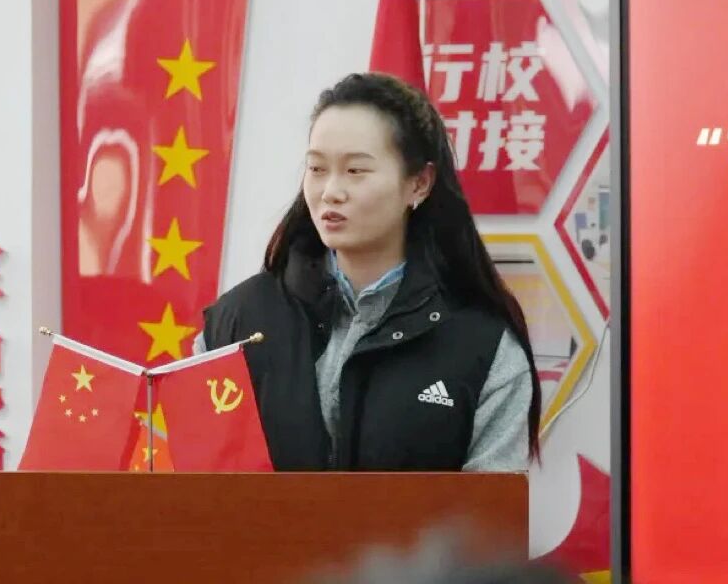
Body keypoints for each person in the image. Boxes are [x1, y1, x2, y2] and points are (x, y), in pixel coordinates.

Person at [195, 72, 540, 471]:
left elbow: (490, 507)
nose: (331, 191)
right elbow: (192, 486)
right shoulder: (235, 324)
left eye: (356, 171)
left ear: (419, 184)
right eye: (317, 168)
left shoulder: (482, 345)